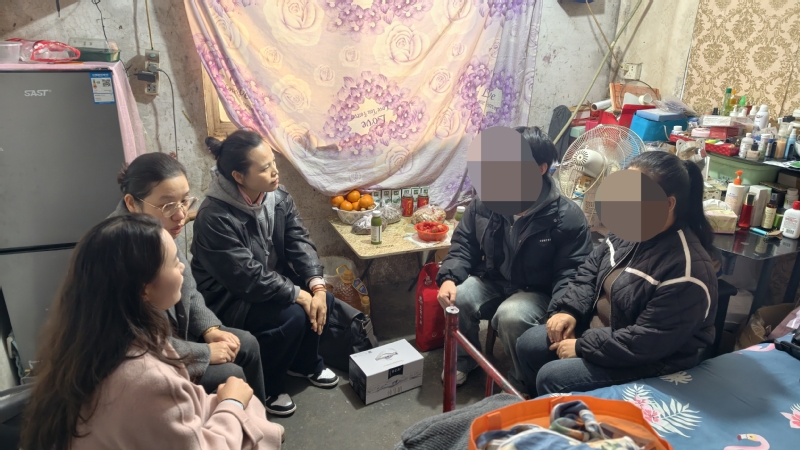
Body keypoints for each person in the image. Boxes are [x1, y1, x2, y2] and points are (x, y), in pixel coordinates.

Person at [20, 215, 283, 450]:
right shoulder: (147, 377)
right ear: (144, 289)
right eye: (174, 262)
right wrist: (232, 405)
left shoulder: (87, 338)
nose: (182, 268)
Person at [516, 151, 719, 397]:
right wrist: (569, 310)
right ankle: (539, 404)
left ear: (668, 204)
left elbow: (648, 341)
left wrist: (582, 347)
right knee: (529, 344)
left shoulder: (687, 270)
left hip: (652, 359)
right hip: (603, 335)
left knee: (554, 377)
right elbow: (589, 272)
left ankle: (563, 413)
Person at [191, 130, 338, 416]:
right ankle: (269, 385)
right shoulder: (214, 216)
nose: (275, 171)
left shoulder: (278, 195)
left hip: (268, 283)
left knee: (325, 300)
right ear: (239, 176)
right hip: (229, 297)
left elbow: (299, 241)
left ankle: (305, 365)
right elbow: (245, 277)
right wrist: (298, 294)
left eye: (273, 162)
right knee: (292, 316)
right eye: (264, 168)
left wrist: (317, 286)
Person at [437, 126, 593, 387]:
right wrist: (449, 277)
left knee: (512, 315)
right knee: (459, 297)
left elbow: (572, 272)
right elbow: (465, 242)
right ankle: (464, 360)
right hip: (494, 279)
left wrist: (564, 310)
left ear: (540, 168)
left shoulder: (566, 217)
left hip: (537, 291)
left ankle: (521, 383)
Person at [110, 152, 267, 406]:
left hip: (173, 338)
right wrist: (203, 353)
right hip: (142, 359)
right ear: (132, 203)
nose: (181, 215)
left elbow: (188, 289)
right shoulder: (117, 251)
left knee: (246, 343)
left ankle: (258, 420)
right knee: (230, 374)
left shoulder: (155, 228)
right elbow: (135, 344)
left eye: (184, 201)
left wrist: (209, 329)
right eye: (167, 205)